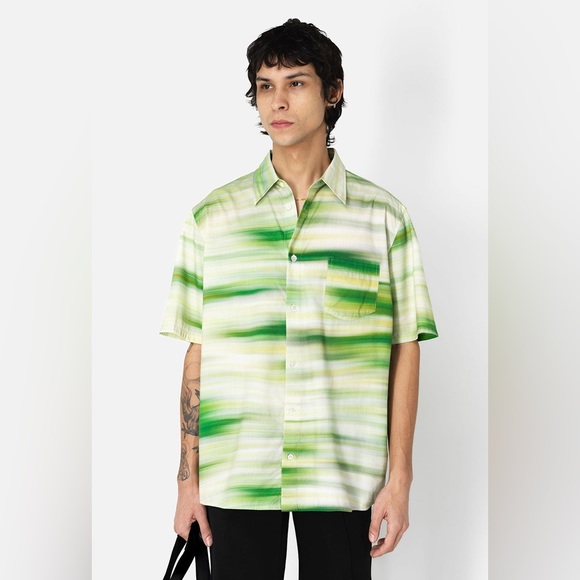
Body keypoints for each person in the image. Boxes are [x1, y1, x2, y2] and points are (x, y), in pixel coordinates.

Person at [160, 18, 438, 580]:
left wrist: (400, 479)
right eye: (265, 86)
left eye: (296, 83)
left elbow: (404, 347)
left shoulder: (383, 218)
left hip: (342, 474)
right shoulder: (212, 218)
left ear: (333, 91)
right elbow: (198, 354)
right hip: (236, 474)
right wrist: (187, 482)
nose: (277, 101)